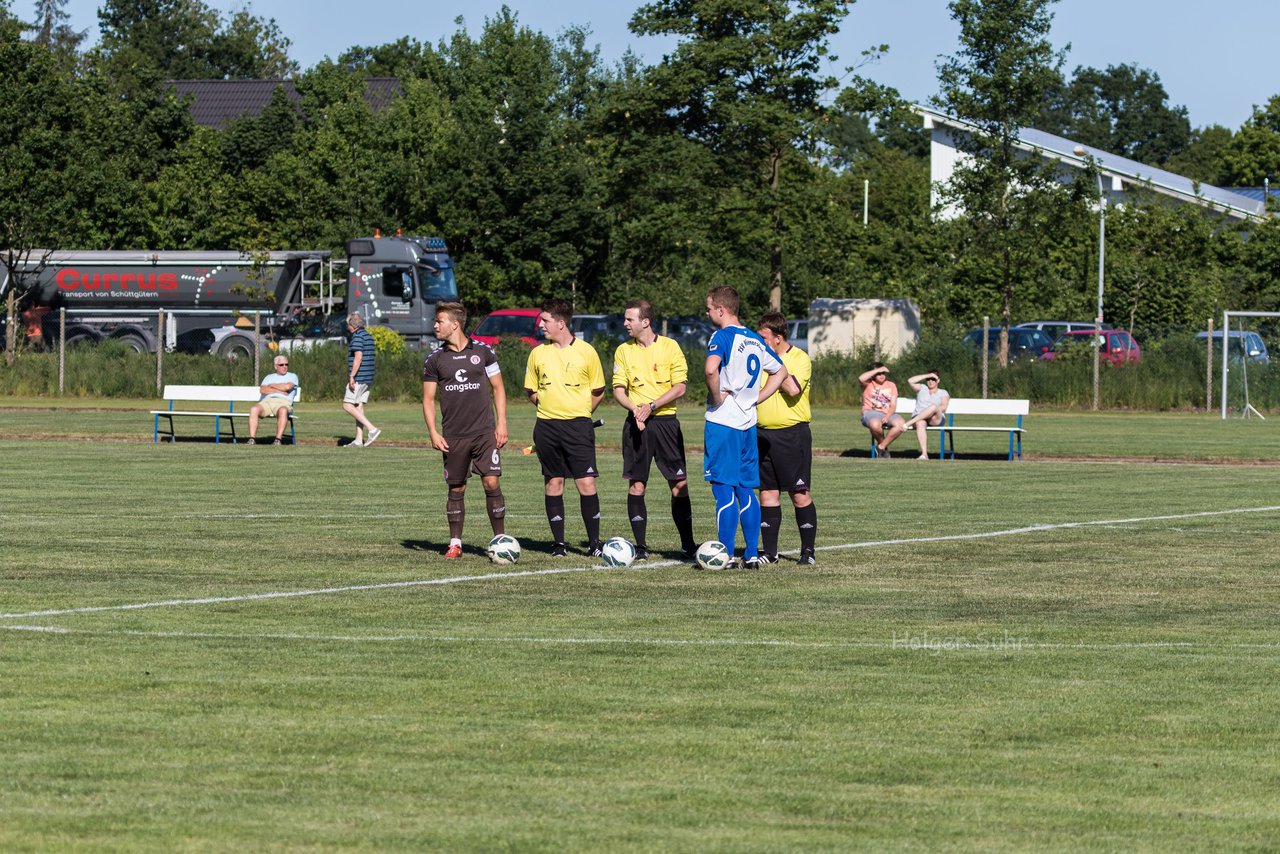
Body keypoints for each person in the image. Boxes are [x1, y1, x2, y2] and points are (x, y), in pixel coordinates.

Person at [703, 286, 790, 570]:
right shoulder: (754, 338)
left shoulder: (722, 336)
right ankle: (751, 554)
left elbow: (710, 369)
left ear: (721, 309)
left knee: (724, 489)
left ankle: (726, 554)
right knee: (746, 490)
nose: (707, 313)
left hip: (723, 423)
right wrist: (756, 398)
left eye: (709, 307)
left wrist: (716, 398)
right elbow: (781, 371)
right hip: (748, 424)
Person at [422, 302, 509, 559]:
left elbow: (499, 389)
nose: (435, 325)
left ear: (454, 324)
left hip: (484, 432)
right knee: (457, 488)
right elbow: (428, 399)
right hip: (454, 435)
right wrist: (433, 432)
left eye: (440, 321)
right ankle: (455, 544)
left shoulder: (484, 352)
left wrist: (501, 423)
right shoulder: (435, 359)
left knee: (491, 481)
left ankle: (499, 541)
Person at [612, 299, 696, 561]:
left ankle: (688, 545)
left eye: (630, 319)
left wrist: (651, 406)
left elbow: (680, 387)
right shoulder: (623, 351)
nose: (625, 324)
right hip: (636, 423)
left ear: (645, 321)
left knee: (679, 484)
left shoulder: (670, 347)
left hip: (666, 423)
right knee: (637, 484)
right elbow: (618, 390)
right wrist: (636, 409)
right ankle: (640, 548)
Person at [523, 298, 607, 557]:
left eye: (545, 320)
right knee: (554, 483)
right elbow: (531, 390)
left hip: (579, 427)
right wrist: (551, 409)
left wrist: (579, 412)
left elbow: (598, 391)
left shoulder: (586, 351)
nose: (541, 325)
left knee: (586, 484)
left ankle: (594, 544)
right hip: (546, 428)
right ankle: (559, 544)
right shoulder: (538, 353)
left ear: (561, 323)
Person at [755, 311, 817, 565]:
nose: (759, 342)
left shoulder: (799, 358)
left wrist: (773, 363)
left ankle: (808, 552)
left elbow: (792, 389)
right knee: (767, 493)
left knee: (799, 494)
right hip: (761, 434)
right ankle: (770, 552)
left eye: (763, 337)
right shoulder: (756, 359)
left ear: (778, 338)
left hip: (793, 435)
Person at [343, 312, 381, 447]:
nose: (347, 327)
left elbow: (358, 357)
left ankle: (372, 429)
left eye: (348, 324)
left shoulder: (357, 337)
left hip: (359, 377)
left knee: (347, 405)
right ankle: (358, 440)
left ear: (352, 325)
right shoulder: (367, 335)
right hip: (368, 377)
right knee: (358, 406)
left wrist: (352, 376)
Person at [247, 355, 300, 445]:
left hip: (283, 402)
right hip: (266, 401)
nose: (285, 366)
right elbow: (263, 390)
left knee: (283, 410)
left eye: (286, 364)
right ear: (275, 366)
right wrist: (280, 390)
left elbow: (287, 387)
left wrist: (272, 385)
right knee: (254, 409)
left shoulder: (292, 376)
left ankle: (278, 440)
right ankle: (252, 439)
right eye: (281, 365)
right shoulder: (269, 377)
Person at [902, 370, 950, 460]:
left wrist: (930, 411)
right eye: (928, 379)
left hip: (935, 418)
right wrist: (927, 375)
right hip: (920, 419)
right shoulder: (922, 388)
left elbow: (943, 407)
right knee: (920, 423)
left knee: (933, 407)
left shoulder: (943, 392)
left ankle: (908, 423)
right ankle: (924, 454)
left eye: (933, 379)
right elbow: (910, 381)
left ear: (938, 380)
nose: (930, 381)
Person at [859, 362, 904, 458]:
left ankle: (881, 447)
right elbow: (861, 378)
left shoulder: (891, 385)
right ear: (874, 374)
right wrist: (878, 369)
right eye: (879, 373)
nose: (881, 375)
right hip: (870, 412)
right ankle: (884, 448)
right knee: (875, 424)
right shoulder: (868, 384)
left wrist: (888, 416)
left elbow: (893, 405)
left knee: (901, 425)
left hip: (888, 413)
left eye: (883, 373)